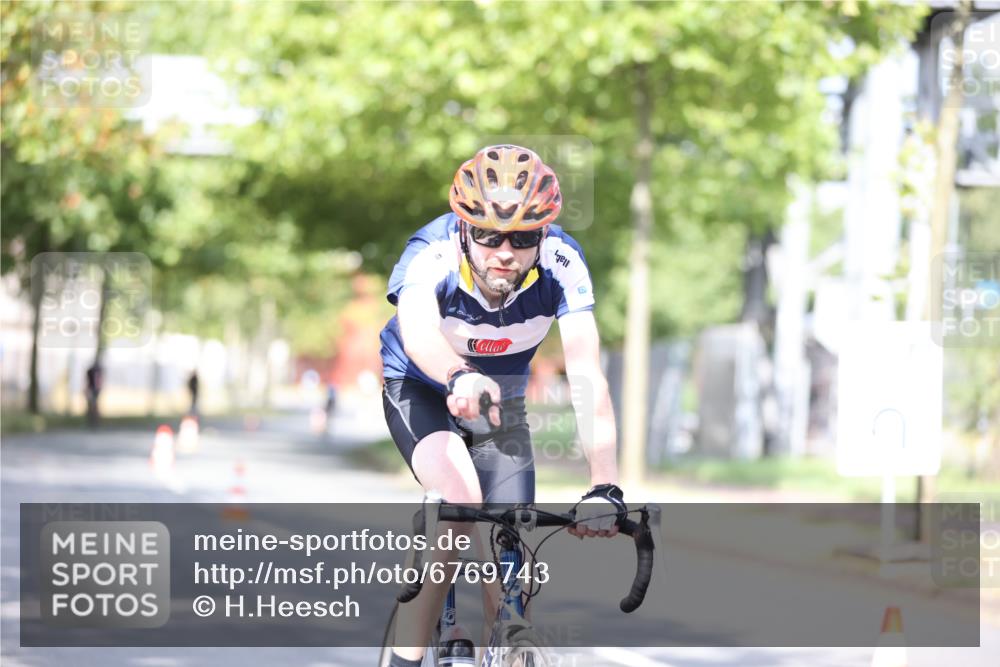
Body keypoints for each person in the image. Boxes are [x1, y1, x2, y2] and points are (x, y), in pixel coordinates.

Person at [379, 145, 625, 667]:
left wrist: (604, 484)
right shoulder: (432, 252)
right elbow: (418, 331)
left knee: (511, 549)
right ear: (464, 229)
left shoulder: (562, 262)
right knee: (460, 499)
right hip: (422, 386)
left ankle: (506, 647)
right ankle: (407, 658)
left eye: (523, 237)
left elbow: (586, 372)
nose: (505, 252)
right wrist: (458, 374)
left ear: (543, 234)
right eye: (488, 236)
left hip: (500, 403)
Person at [85, 361, 103, 430]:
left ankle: (95, 423)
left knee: (95, 406)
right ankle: (91, 422)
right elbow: (88, 381)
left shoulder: (99, 371)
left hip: (96, 391)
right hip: (91, 390)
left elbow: (99, 382)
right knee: (91, 406)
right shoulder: (90, 371)